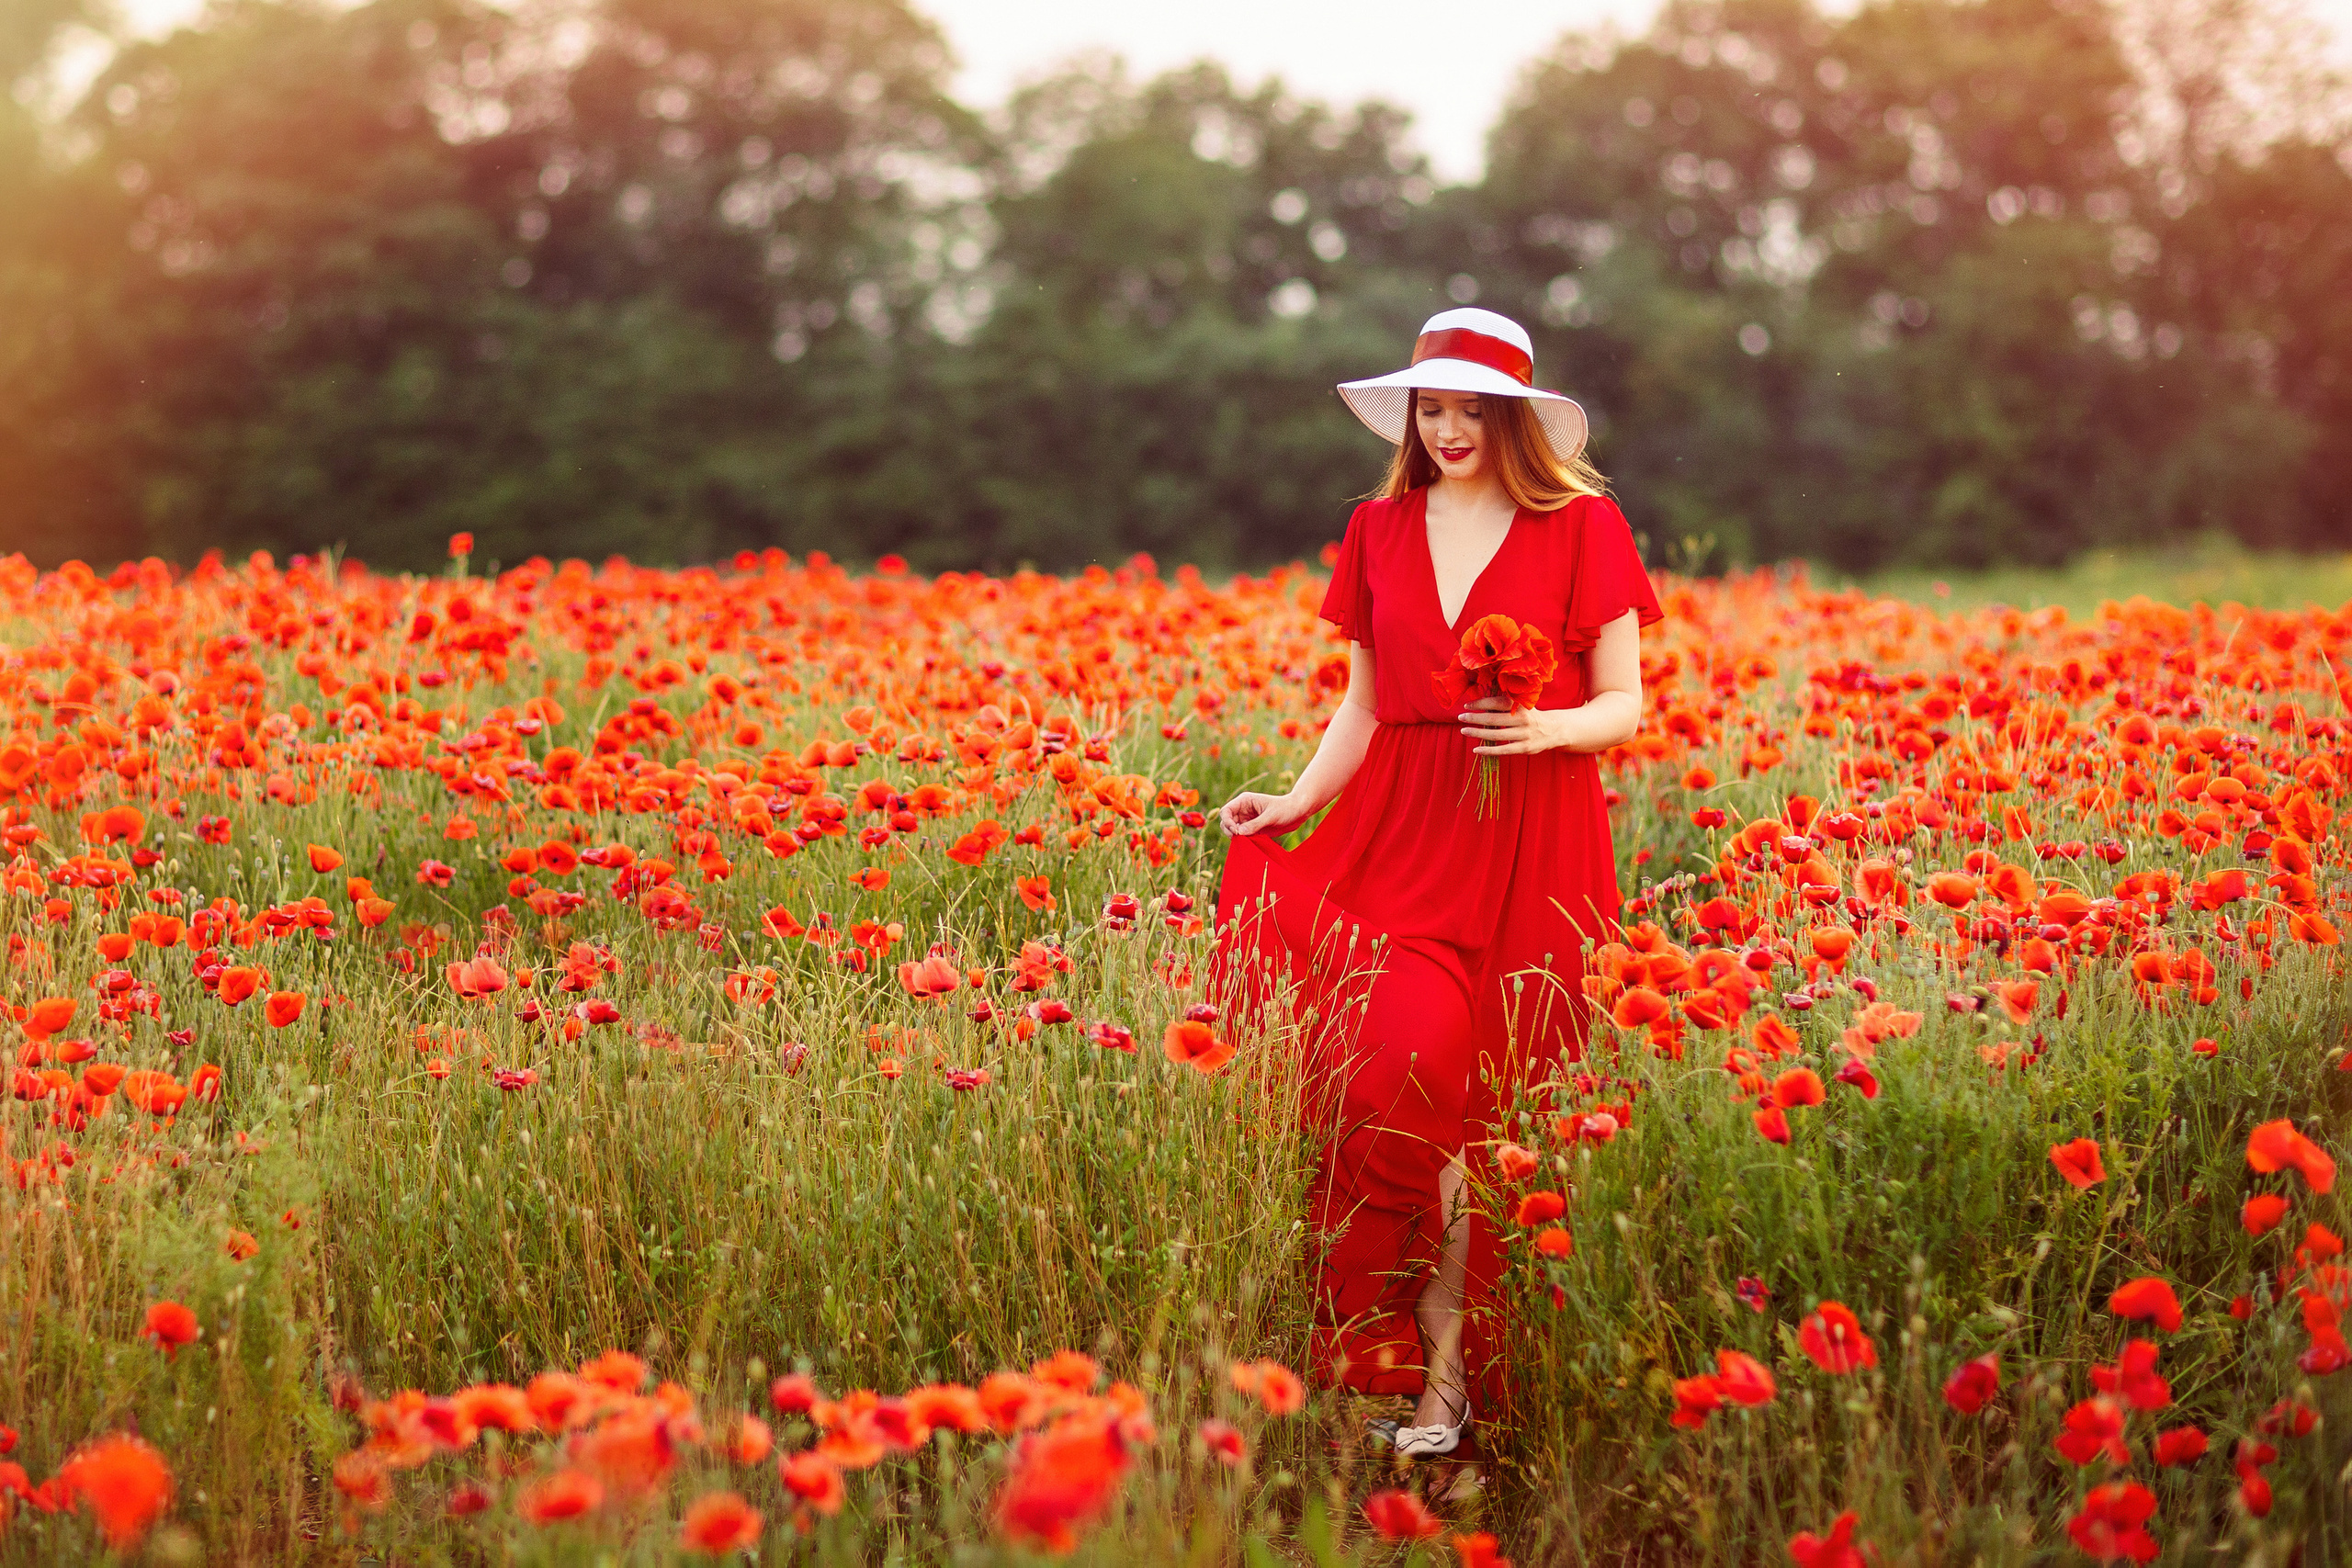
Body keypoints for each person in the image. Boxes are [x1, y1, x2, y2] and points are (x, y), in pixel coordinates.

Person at [1213, 307, 1661, 1461]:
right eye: (1432, 405)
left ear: (1511, 416)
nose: (1449, 426)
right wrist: (1294, 803)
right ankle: (1388, 1351)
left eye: (1470, 406)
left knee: (1495, 1113)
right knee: (1400, 1076)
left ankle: (1449, 1384)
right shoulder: (1376, 527)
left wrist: (1546, 727)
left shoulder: (1583, 526)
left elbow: (1627, 699)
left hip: (1532, 834)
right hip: (1399, 837)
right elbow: (1363, 702)